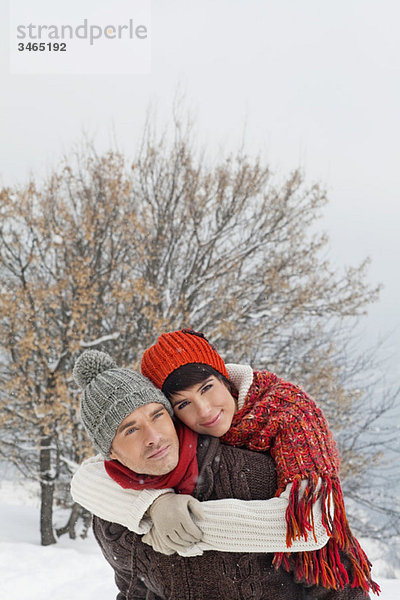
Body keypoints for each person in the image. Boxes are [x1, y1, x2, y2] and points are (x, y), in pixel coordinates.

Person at [72, 349, 368, 600]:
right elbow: (133, 591)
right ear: (109, 452)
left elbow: (339, 587)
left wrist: (192, 525)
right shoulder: (112, 517)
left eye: (157, 415)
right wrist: (153, 507)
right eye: (130, 429)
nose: (153, 437)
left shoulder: (257, 477)